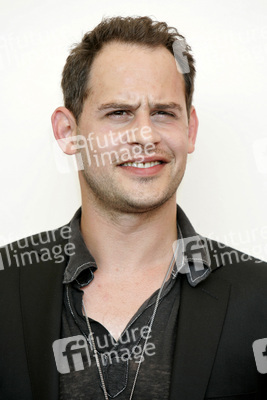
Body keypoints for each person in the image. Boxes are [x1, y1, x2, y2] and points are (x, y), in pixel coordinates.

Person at [0, 16, 267, 400]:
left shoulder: (259, 298)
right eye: (119, 113)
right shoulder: (6, 285)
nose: (145, 134)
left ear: (189, 131)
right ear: (68, 133)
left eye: (163, 113)